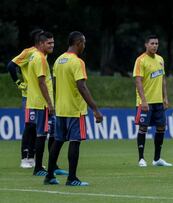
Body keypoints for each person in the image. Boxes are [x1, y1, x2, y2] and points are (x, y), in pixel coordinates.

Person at [44, 31, 103, 186]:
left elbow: (55, 84)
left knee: (58, 141)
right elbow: (82, 86)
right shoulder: (77, 62)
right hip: (75, 109)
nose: (84, 46)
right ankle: (72, 178)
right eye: (83, 43)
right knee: (75, 141)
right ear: (78, 43)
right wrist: (95, 109)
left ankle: (49, 175)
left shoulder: (58, 60)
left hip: (61, 108)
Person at [133, 35, 172, 167]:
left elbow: (163, 80)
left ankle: (157, 159)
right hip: (145, 102)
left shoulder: (160, 59)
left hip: (158, 102)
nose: (155, 46)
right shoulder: (140, 60)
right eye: (152, 43)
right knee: (143, 127)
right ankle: (141, 159)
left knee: (161, 127)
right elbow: (138, 81)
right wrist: (143, 100)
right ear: (146, 45)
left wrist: (165, 97)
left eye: (156, 43)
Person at [7, 29, 43, 169]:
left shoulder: (41, 55)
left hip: (40, 97)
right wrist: (18, 83)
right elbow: (11, 66)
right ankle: (24, 157)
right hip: (28, 96)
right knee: (30, 125)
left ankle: (33, 157)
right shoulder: (29, 52)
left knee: (37, 128)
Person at [26, 31, 58, 176]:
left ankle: (49, 165)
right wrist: (50, 104)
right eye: (49, 43)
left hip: (37, 101)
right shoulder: (40, 59)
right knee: (41, 134)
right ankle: (38, 167)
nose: (52, 45)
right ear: (41, 43)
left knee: (48, 133)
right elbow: (42, 82)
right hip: (42, 103)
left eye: (53, 42)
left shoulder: (34, 56)